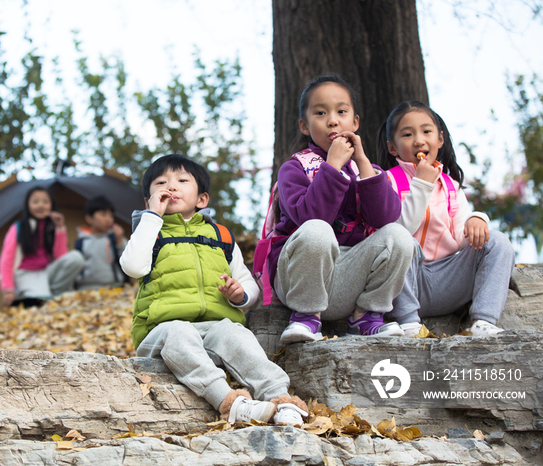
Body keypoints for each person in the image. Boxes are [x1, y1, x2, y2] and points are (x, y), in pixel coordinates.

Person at [120, 153, 309, 426]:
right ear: (149, 201)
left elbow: (247, 283)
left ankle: (281, 399)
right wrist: (152, 218)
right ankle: (229, 402)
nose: (171, 186)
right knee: (179, 331)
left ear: (201, 200)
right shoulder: (150, 233)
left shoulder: (219, 236)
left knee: (236, 335)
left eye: (182, 180)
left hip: (213, 328)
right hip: (161, 333)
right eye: (161, 182)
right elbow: (133, 267)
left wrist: (239, 295)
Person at [271, 74, 416, 344]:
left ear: (355, 122)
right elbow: (311, 218)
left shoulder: (368, 170)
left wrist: (362, 163)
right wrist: (332, 168)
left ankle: (366, 316)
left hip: (345, 282)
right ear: (305, 126)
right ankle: (305, 317)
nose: (332, 120)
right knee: (317, 230)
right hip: (300, 278)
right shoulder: (294, 169)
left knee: (398, 236)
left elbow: (385, 217)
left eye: (341, 111)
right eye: (320, 113)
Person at [377, 101, 515, 337]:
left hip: (447, 280)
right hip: (405, 283)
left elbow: (463, 237)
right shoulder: (386, 181)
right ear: (393, 148)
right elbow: (397, 232)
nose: (419, 140)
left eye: (426, 131)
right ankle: (409, 323)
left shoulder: (451, 186)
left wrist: (476, 219)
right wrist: (421, 184)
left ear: (440, 140)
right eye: (408, 134)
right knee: (403, 241)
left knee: (498, 242)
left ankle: (483, 320)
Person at [0, 187, 83, 306]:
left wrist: (60, 228)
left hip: (46, 272)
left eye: (45, 202)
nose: (40, 205)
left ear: (51, 205)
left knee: (76, 257)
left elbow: (60, 257)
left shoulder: (52, 226)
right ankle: (40, 295)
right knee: (41, 303)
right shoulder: (18, 228)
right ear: (27, 205)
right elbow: (6, 260)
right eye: (35, 202)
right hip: (26, 274)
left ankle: (51, 295)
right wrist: (8, 289)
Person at [74, 195, 128, 289]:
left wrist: (120, 240)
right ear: (89, 218)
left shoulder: (114, 238)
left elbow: (129, 258)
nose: (108, 219)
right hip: (86, 289)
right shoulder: (81, 242)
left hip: (114, 287)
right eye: (103, 214)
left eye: (111, 216)